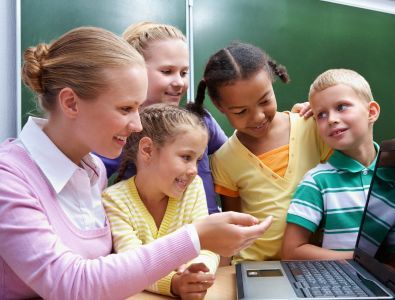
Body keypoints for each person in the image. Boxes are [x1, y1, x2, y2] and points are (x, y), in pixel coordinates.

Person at [0, 26, 273, 300]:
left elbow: (109, 271)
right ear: (71, 103)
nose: (137, 124)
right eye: (125, 109)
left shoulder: (93, 172)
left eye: (139, 107)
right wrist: (195, 237)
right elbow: (71, 284)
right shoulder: (9, 178)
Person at [191, 42, 332, 264]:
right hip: (255, 267)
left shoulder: (312, 128)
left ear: (273, 84)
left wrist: (325, 112)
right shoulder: (225, 159)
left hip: (315, 265)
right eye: (240, 111)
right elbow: (234, 230)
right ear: (220, 107)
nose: (257, 117)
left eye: (265, 100)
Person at [95, 21, 227, 214]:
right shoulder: (123, 131)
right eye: (167, 71)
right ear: (134, 70)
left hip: (211, 238)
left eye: (184, 72)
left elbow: (236, 157)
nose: (179, 82)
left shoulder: (199, 120)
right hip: (152, 240)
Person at [103, 104, 225, 298]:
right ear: (148, 150)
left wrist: (197, 273)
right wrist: (174, 283)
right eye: (186, 157)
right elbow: (131, 264)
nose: (194, 169)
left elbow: (207, 246)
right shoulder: (114, 200)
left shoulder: (193, 188)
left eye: (197, 159)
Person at [281, 68, 381, 260]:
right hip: (344, 285)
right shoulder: (317, 181)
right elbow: (291, 252)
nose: (332, 119)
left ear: (371, 112)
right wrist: (361, 260)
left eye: (341, 107)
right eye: (321, 115)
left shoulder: (394, 172)